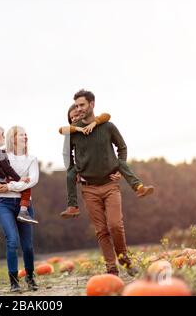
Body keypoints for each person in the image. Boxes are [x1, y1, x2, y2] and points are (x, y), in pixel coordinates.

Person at [64, 89, 149, 276]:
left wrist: (120, 168)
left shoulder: (108, 126)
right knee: (101, 231)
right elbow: (67, 156)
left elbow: (122, 148)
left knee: (115, 226)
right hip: (88, 189)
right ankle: (111, 269)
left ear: (92, 104)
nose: (79, 109)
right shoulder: (73, 132)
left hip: (110, 185)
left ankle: (124, 260)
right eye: (76, 106)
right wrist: (74, 171)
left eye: (82, 105)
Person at [59, 104, 154, 218]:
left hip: (107, 170)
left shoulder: (99, 126)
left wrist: (94, 123)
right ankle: (72, 206)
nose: (74, 119)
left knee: (120, 164)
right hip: (85, 174)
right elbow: (62, 133)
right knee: (69, 176)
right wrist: (74, 171)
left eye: (77, 115)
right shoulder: (71, 133)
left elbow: (106, 116)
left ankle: (139, 187)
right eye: (71, 118)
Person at [0, 126, 39, 292]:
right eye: (21, 134)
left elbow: (32, 180)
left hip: (24, 205)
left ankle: (30, 276)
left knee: (27, 246)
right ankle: (14, 282)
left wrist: (10, 186)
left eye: (26, 134)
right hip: (3, 203)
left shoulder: (32, 159)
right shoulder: (1, 154)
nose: (25, 137)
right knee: (12, 241)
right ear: (11, 139)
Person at [0, 125, 38, 240]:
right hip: (0, 184)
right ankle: (23, 211)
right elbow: (7, 169)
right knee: (26, 186)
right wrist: (18, 179)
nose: (25, 137)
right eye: (22, 134)